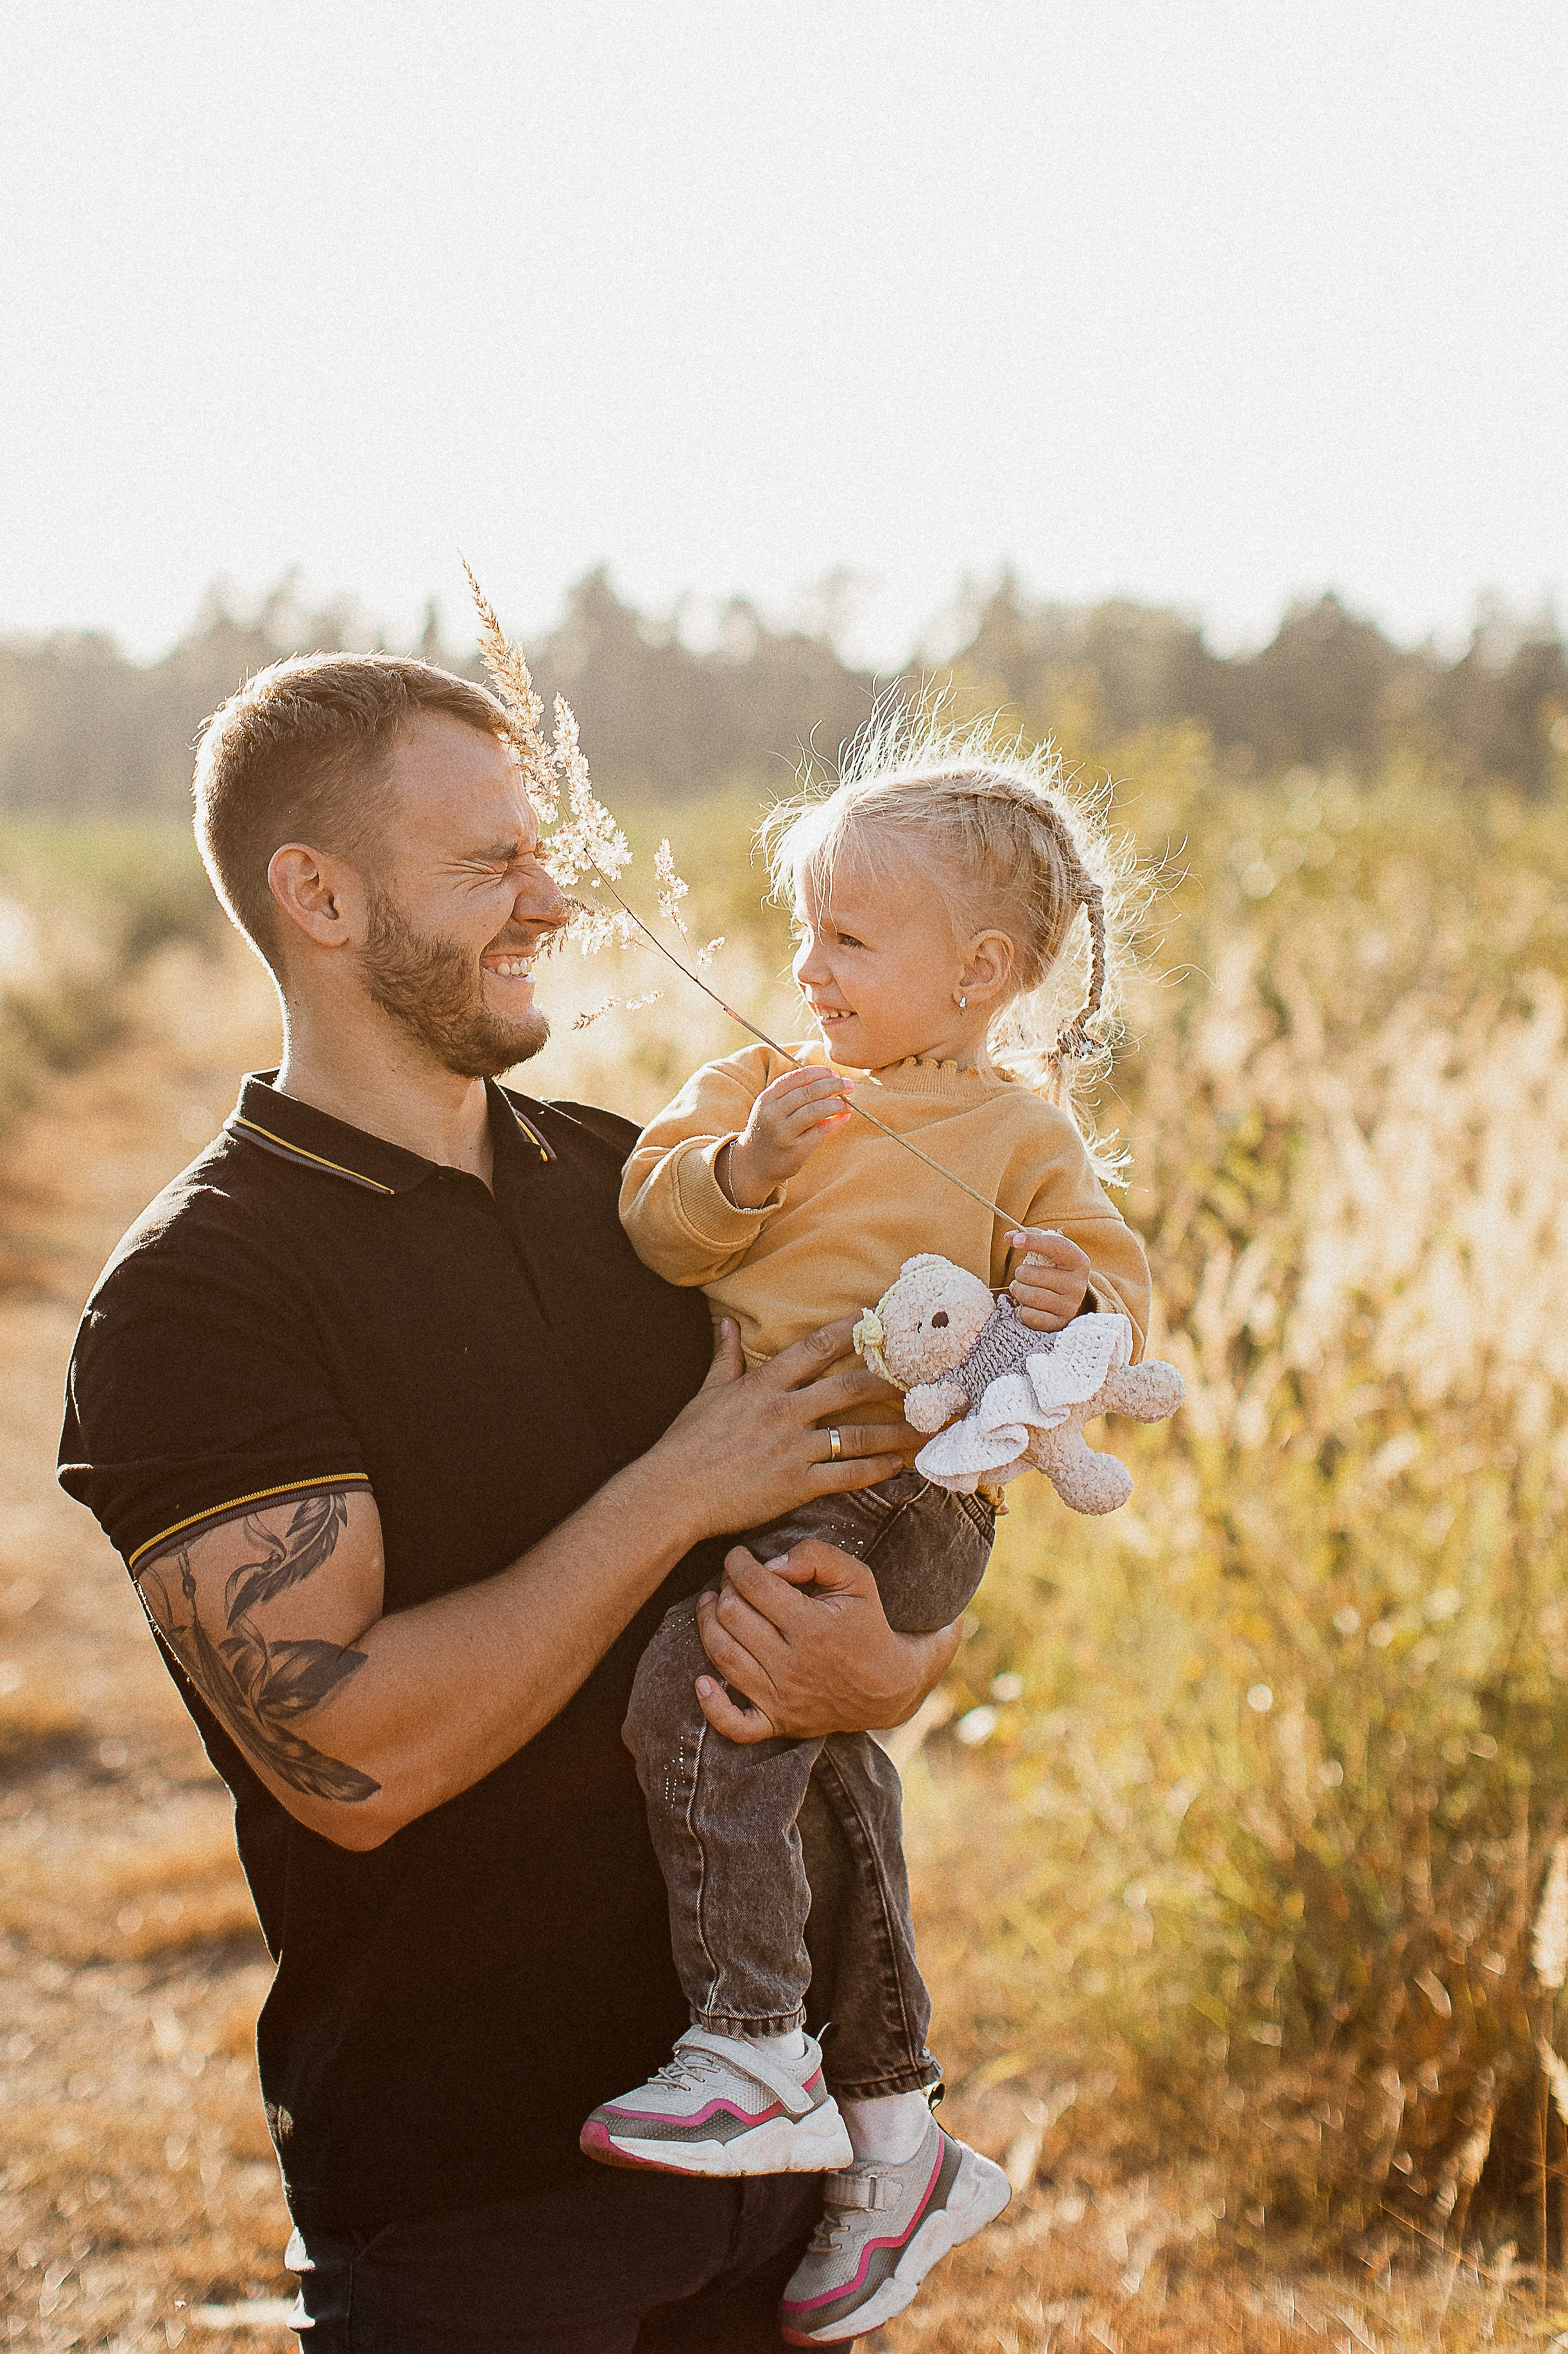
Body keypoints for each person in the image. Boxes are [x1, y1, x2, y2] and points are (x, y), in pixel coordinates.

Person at [56, 654, 961, 2354]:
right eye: (490, 867)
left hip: (797, 2165)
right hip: (483, 2204)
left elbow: (866, 1526)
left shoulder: (636, 1194)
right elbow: (356, 1760)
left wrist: (892, 1670)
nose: (552, 898)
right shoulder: (206, 1294)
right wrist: (677, 1485)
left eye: (540, 852)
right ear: (315, 896)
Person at [583, 734, 1151, 2345]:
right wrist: (739, 1171)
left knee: (701, 1699)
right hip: (777, 1472)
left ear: (980, 975)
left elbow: (1117, 1293)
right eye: (804, 929)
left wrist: (1072, 1297)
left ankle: (758, 2045)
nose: (805, 967)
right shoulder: (769, 1087)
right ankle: (895, 2140)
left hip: (904, 1487)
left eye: (848, 940)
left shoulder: (1022, 1140)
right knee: (819, 1758)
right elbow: (653, 1215)